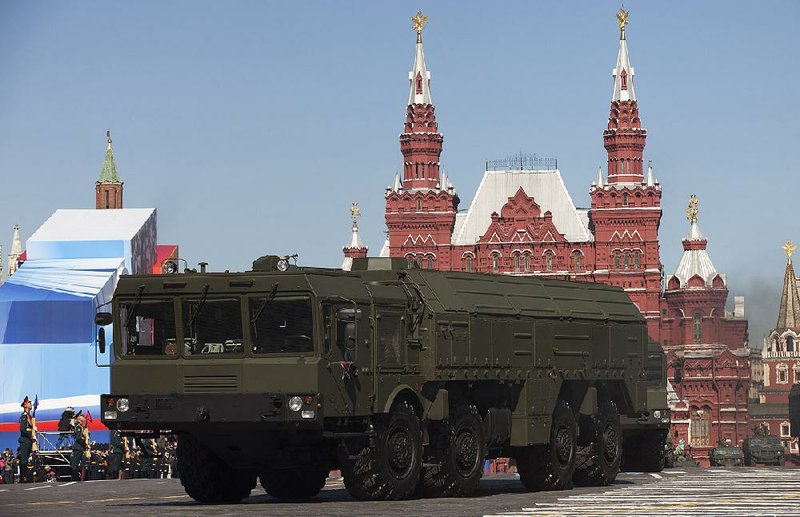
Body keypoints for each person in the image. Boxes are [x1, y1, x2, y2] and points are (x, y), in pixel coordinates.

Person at [18, 396, 35, 483]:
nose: (31, 404)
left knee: (26, 459)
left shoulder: (29, 416)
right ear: (25, 405)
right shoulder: (24, 416)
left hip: (28, 440)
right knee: (24, 460)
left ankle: (24, 476)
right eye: (29, 403)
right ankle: (22, 477)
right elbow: (23, 429)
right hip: (25, 440)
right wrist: (31, 435)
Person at [70, 412, 89, 481]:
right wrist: (84, 445)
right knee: (75, 464)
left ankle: (82, 478)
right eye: (82, 416)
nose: (83, 418)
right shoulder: (78, 427)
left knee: (84, 463)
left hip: (80, 448)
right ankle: (74, 479)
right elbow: (78, 438)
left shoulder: (81, 427)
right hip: (78, 447)